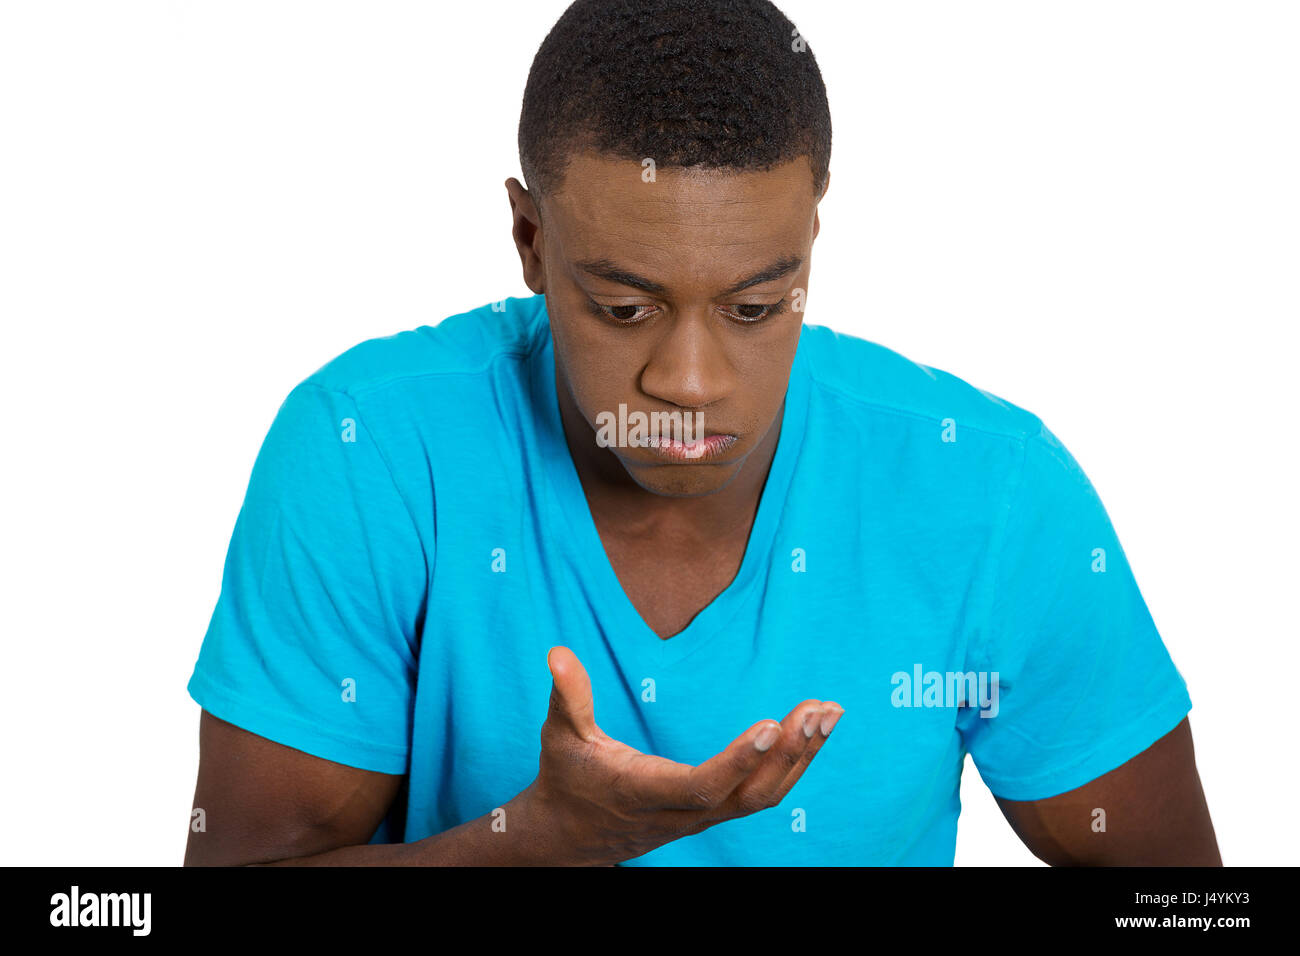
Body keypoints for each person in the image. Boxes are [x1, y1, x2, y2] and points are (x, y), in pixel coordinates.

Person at [183, 0, 1220, 866]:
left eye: (755, 307)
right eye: (624, 308)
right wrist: (534, 841)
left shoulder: (989, 491)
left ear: (810, 238)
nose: (688, 380)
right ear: (531, 240)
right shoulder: (368, 449)